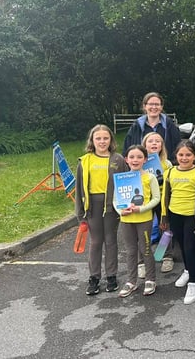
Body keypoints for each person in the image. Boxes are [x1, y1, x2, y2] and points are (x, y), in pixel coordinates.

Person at [75, 124, 128, 296]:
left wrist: (125, 206)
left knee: (111, 240)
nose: (102, 141)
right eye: (98, 138)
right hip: (92, 207)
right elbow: (79, 189)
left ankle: (111, 275)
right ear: (92, 140)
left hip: (111, 206)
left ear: (111, 140)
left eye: (106, 138)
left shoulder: (118, 160)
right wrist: (80, 213)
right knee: (96, 241)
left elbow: (126, 184)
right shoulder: (85, 161)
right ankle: (94, 277)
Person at [160, 140, 195, 304]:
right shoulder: (170, 172)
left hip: (192, 216)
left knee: (190, 247)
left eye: (188, 155)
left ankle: (193, 283)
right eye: (181, 155)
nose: (184, 158)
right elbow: (165, 196)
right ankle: (187, 270)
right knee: (181, 244)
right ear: (176, 156)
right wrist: (164, 217)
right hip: (174, 214)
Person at [118, 145, 161, 298]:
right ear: (126, 160)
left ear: (145, 159)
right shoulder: (122, 178)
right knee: (130, 251)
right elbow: (116, 200)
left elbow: (156, 198)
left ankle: (150, 279)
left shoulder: (150, 177)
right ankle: (131, 281)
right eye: (132, 157)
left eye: (139, 157)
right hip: (126, 219)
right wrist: (120, 211)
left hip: (144, 219)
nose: (135, 160)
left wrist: (141, 209)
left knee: (146, 249)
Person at [140, 132, 174, 276]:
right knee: (143, 230)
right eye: (150, 141)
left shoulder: (167, 163)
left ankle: (164, 256)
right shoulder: (139, 161)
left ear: (162, 145)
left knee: (165, 228)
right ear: (144, 144)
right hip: (145, 200)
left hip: (162, 200)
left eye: (158, 141)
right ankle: (142, 261)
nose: (154, 144)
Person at [123, 92, 181, 163]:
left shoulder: (170, 126)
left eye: (157, 104)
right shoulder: (136, 127)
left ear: (161, 107)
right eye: (150, 104)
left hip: (167, 169)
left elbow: (179, 149)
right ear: (145, 106)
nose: (154, 107)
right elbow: (126, 151)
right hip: (141, 169)